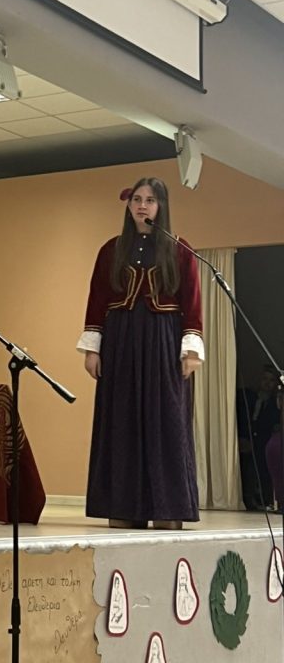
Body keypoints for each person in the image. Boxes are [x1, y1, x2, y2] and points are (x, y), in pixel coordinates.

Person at [77, 178, 203, 530]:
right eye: (136, 199)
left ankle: (168, 508)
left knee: (166, 420)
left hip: (163, 340)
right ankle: (123, 506)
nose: (142, 205)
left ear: (162, 206)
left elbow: (192, 300)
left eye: (150, 200)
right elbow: (97, 299)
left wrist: (191, 349)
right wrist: (92, 348)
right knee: (122, 420)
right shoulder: (111, 249)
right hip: (121, 341)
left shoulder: (179, 249)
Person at [237, 364, 279, 510]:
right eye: (265, 379)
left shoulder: (275, 403)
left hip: (264, 443)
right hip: (246, 440)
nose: (267, 383)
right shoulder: (248, 397)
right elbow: (241, 419)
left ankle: (265, 500)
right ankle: (248, 498)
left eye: (271, 380)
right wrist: (243, 438)